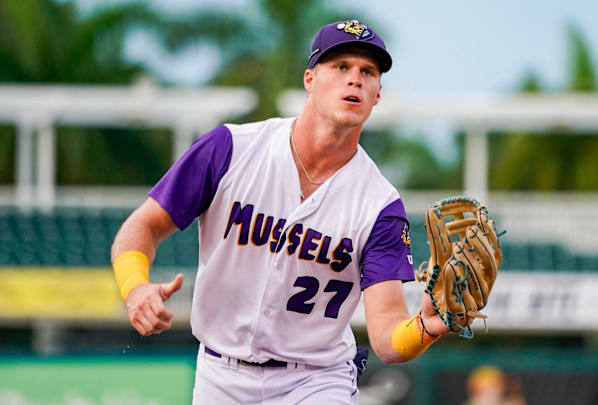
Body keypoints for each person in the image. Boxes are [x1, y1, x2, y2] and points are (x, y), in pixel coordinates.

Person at [111, 19, 450, 404]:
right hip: (219, 375)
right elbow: (144, 225)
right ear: (310, 79)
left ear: (377, 95)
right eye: (341, 67)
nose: (354, 79)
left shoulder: (379, 205)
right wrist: (134, 286)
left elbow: (387, 334)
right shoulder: (230, 149)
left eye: (367, 72)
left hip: (316, 381)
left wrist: (425, 326)